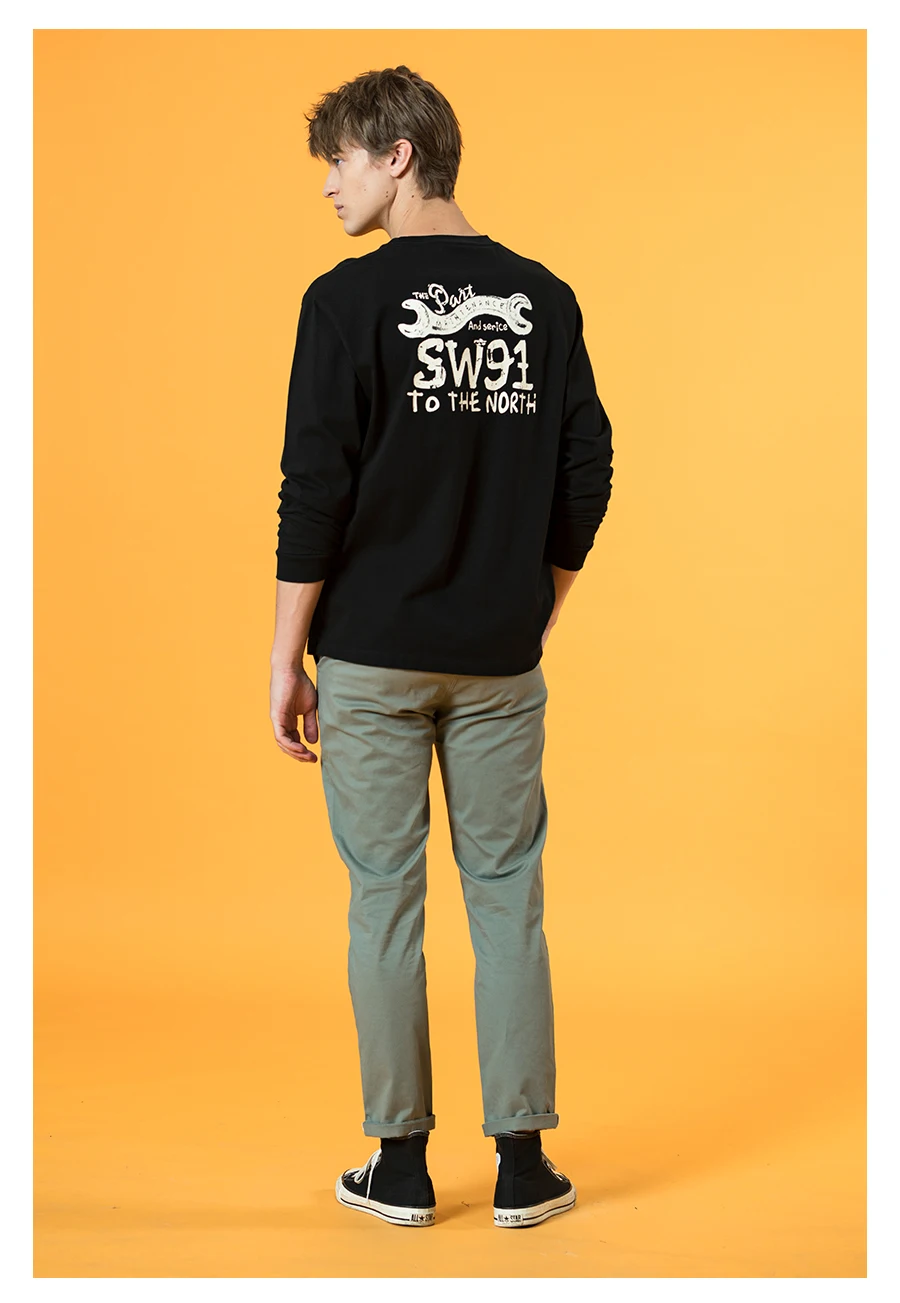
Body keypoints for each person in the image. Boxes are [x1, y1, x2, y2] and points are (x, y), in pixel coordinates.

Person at [269, 65, 613, 1230]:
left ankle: (401, 1166)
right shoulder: (545, 299)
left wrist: (285, 657)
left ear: (398, 155)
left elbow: (314, 489)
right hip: (498, 659)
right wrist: (531, 605)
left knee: (386, 902)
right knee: (508, 896)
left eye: (340, 160)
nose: (330, 185)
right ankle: (523, 1165)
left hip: (371, 657)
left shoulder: (344, 303)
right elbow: (587, 472)